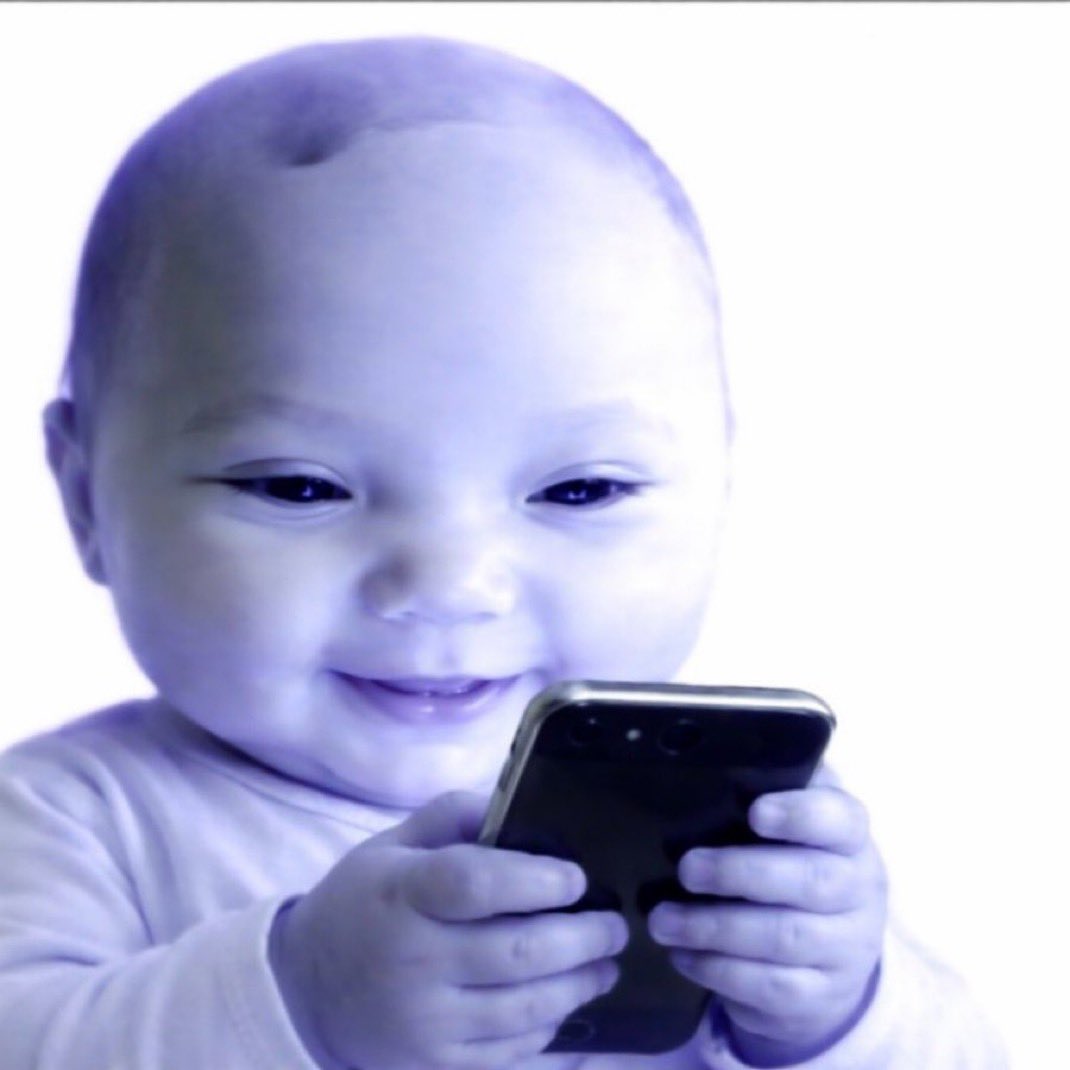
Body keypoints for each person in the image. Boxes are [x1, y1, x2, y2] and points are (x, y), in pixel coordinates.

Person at [0, 37, 1005, 1070]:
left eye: (580, 489)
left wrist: (840, 1017)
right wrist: (301, 1005)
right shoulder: (66, 822)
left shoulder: (732, 838)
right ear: (83, 494)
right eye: (300, 486)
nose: (448, 587)